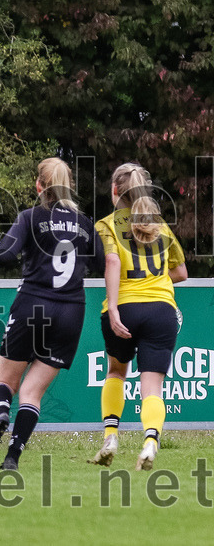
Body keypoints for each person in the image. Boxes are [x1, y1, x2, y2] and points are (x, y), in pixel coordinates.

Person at [0, 158, 103, 471]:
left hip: (33, 305)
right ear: (70, 186)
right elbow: (105, 266)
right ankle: (13, 455)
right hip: (70, 312)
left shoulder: (31, 216)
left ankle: (1, 415)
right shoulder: (85, 224)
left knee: (4, 382)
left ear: (39, 186)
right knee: (32, 392)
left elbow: (7, 254)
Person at [90, 162, 187, 471]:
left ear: (116, 190)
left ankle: (110, 437)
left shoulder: (107, 225)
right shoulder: (159, 225)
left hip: (125, 308)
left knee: (116, 372)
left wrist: (116, 308)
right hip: (161, 309)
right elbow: (181, 272)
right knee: (152, 387)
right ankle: (150, 441)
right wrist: (156, 280)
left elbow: (112, 262)